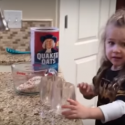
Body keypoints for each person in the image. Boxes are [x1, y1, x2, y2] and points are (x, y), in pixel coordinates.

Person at [62, 9, 125, 125]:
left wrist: (88, 112)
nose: (116, 50)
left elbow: (121, 106)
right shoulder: (105, 68)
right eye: (111, 43)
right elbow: (99, 90)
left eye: (124, 44)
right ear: (104, 43)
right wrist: (89, 92)